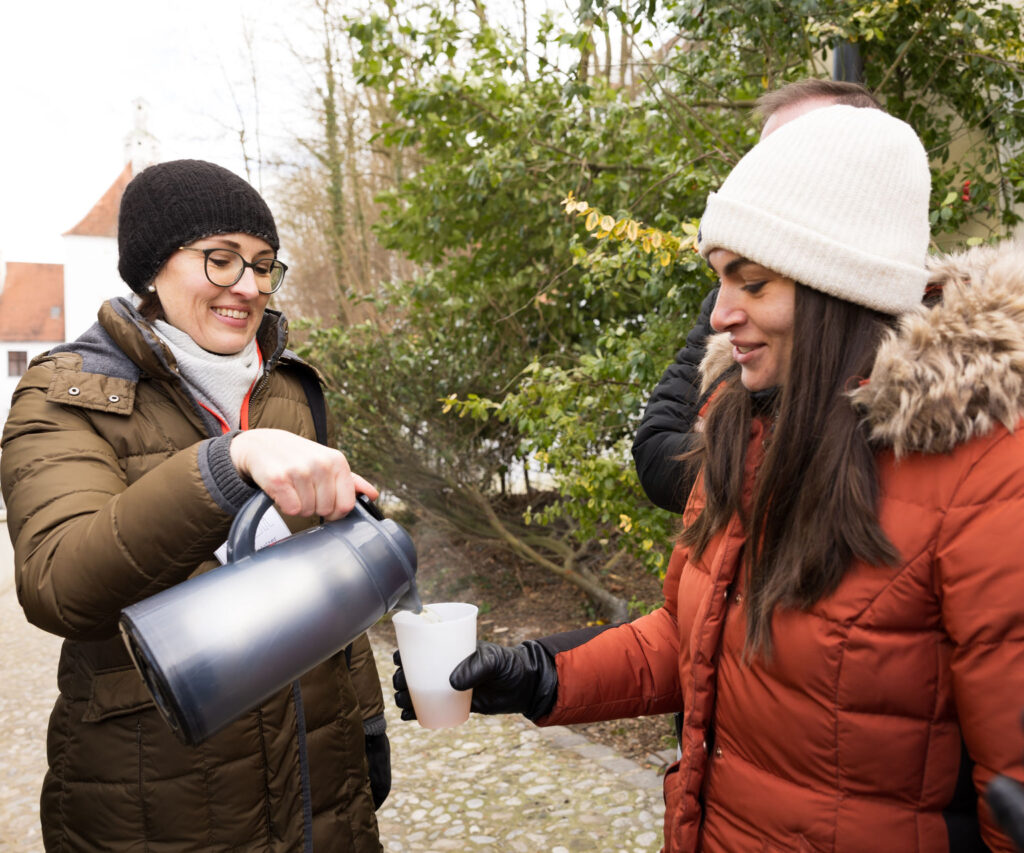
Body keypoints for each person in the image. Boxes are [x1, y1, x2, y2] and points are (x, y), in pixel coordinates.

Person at [395, 105, 1024, 850]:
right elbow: (692, 637)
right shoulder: (741, 423)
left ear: (839, 289)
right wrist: (540, 674)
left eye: (751, 282)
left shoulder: (985, 470)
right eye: (719, 278)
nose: (720, 314)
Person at [1, 160, 388, 851]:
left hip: (317, 792)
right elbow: (60, 584)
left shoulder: (291, 390)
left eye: (265, 265)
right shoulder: (64, 397)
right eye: (221, 260)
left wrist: (364, 720)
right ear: (153, 268)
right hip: (155, 802)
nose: (250, 286)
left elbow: (331, 577)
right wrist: (225, 463)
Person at [632, 78, 884, 514]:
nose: (724, 317)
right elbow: (655, 454)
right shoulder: (727, 303)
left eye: (795, 162)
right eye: (764, 161)